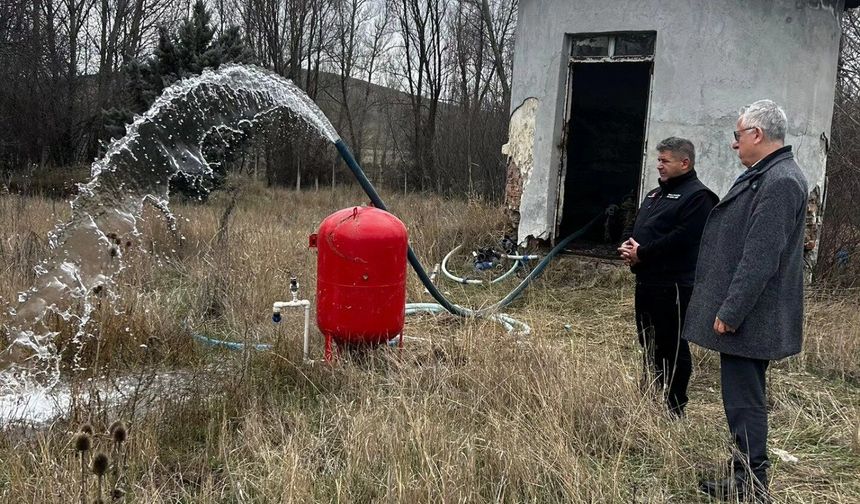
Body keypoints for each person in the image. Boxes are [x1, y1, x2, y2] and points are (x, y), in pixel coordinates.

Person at [683, 100, 808, 503]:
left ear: (756, 134)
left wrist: (731, 310)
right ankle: (743, 479)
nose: (735, 145)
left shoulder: (781, 180)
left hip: (753, 317)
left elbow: (761, 258)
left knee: (744, 401)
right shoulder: (766, 174)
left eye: (737, 137)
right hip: (751, 316)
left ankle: (753, 488)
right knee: (738, 399)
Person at [618, 137, 717, 417]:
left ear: (684, 163)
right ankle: (651, 394)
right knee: (648, 341)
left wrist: (644, 252)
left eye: (665, 161)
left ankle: (675, 408)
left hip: (674, 285)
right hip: (646, 282)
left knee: (672, 345)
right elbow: (637, 225)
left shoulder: (699, 197)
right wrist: (628, 246)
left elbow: (683, 239)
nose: (659, 166)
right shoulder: (654, 195)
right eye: (658, 160)